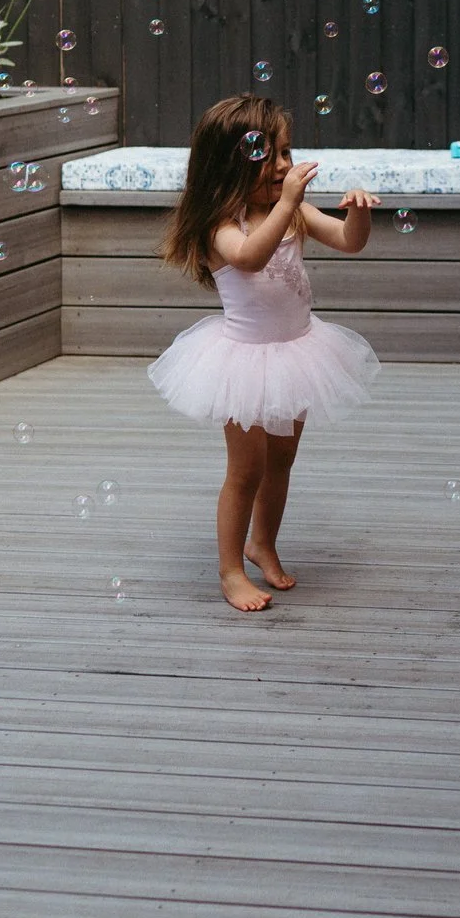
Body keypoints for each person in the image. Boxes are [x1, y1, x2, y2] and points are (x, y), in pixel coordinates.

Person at [150, 95, 381, 612]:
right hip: (245, 363)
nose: (283, 165)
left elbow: (348, 240)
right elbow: (250, 260)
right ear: (233, 163)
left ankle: (263, 544)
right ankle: (231, 571)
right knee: (245, 471)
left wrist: (357, 213)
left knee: (282, 461)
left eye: (286, 152)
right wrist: (285, 205)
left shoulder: (291, 212)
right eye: (270, 155)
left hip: (298, 353)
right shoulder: (223, 224)